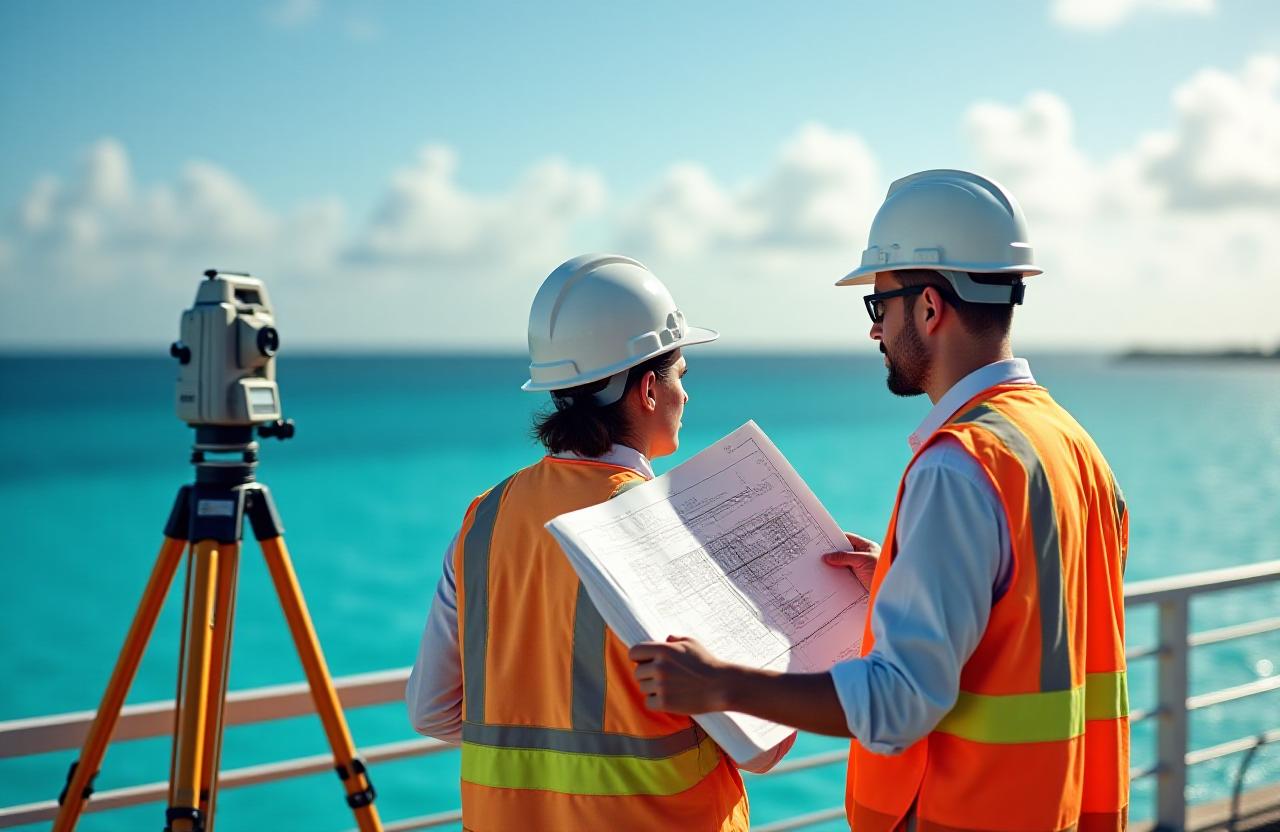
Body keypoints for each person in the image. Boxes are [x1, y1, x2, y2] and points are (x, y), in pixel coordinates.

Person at [630, 170, 1130, 831]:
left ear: (929, 307)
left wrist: (721, 683)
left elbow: (898, 705)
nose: (875, 332)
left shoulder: (958, 468)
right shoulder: (1071, 444)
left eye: (878, 307)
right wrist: (902, 577)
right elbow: (1033, 618)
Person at [407, 253, 794, 832]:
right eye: (681, 375)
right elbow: (761, 750)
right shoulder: (670, 524)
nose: (685, 396)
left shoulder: (484, 517)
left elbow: (432, 709)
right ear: (646, 389)